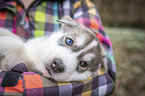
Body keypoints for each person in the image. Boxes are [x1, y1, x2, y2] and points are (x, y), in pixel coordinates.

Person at [0, 0, 116, 95]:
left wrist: (16, 84)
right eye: (69, 41)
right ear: (62, 26)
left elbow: (106, 78)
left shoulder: (77, 4)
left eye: (84, 64)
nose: (58, 66)